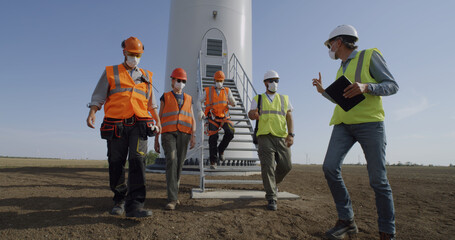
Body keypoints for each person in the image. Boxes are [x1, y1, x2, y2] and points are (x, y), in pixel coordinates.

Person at [312, 25, 398, 240]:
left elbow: (392, 85)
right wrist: (324, 92)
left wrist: (367, 87)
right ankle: (346, 220)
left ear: (338, 42)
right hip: (343, 124)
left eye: (329, 44)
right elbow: (342, 98)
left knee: (378, 180)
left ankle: (387, 232)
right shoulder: (341, 68)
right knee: (330, 167)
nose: (329, 48)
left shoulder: (370, 56)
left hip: (370, 124)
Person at [86, 36, 159, 218]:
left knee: (137, 161)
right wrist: (93, 112)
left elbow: (152, 104)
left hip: (139, 124)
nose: (135, 57)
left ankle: (135, 206)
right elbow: (99, 95)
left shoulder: (147, 76)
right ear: (124, 52)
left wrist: (158, 122)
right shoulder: (111, 72)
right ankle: (119, 200)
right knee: (116, 162)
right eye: (132, 54)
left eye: (138, 54)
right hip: (116, 124)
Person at [248, 70, 294, 211]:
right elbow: (250, 114)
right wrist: (253, 114)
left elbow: (289, 117)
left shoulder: (284, 98)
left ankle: (273, 183)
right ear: (265, 83)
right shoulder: (258, 98)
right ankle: (271, 198)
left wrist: (291, 134)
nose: (274, 83)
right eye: (271, 80)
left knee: (287, 165)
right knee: (267, 167)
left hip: (281, 136)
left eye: (276, 80)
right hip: (264, 136)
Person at [155, 68, 196, 210]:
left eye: (183, 81)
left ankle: (174, 194)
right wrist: (156, 139)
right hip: (168, 133)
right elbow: (159, 118)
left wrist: (193, 135)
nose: (181, 83)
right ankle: (172, 199)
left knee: (178, 165)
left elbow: (191, 117)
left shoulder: (189, 98)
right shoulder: (165, 97)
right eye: (178, 80)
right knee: (172, 160)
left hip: (184, 134)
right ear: (172, 81)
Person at [200, 70, 236, 169]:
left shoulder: (227, 91)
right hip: (212, 117)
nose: (219, 82)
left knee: (230, 132)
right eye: (217, 80)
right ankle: (213, 161)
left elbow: (232, 101)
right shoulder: (207, 90)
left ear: (223, 81)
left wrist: (233, 102)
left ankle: (221, 150)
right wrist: (201, 111)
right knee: (213, 139)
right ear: (214, 80)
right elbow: (199, 101)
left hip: (224, 117)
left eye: (220, 80)